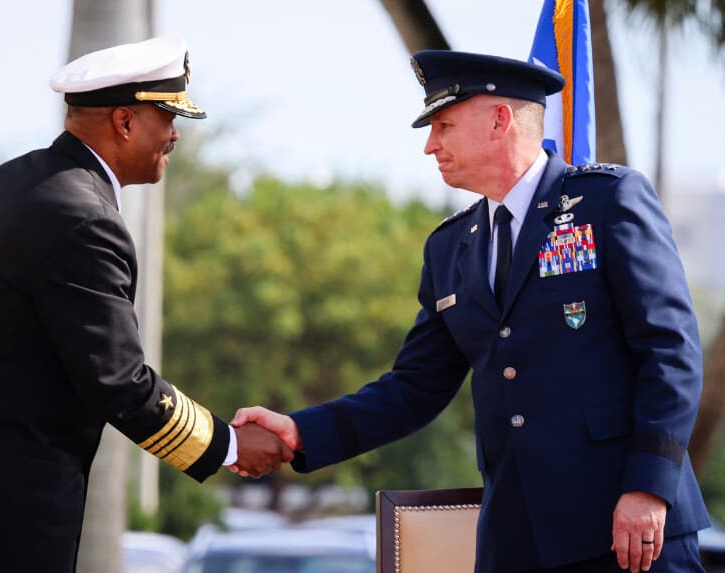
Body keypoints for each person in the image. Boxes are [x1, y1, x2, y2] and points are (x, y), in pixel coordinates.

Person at [232, 50, 710, 573]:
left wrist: (648, 488)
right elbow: (412, 389)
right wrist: (300, 432)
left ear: (500, 120)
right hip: (518, 539)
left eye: (444, 125)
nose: (429, 145)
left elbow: (671, 351)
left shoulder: (607, 202)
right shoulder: (450, 248)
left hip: (627, 531)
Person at [0, 36, 293, 573]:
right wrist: (230, 445)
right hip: (6, 522)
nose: (174, 135)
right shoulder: (81, 216)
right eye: (167, 118)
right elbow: (118, 381)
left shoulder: (14, 180)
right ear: (124, 122)